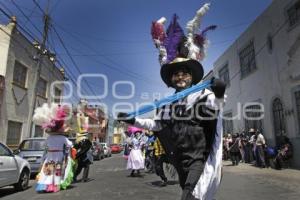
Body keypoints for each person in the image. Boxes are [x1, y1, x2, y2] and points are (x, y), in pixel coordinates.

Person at [118, 4, 226, 200]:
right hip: (181, 159)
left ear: (192, 76)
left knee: (192, 195)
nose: (180, 77)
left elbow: (215, 107)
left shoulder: (203, 94)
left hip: (199, 158)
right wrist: (132, 119)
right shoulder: (168, 103)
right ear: (172, 79)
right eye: (176, 74)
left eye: (184, 73)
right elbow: (156, 124)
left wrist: (219, 92)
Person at [33, 103, 74, 193]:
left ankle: (45, 186)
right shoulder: (63, 138)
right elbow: (70, 145)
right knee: (57, 171)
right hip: (58, 155)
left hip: (49, 155)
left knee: (48, 171)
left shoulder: (49, 138)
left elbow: (45, 146)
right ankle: (54, 186)